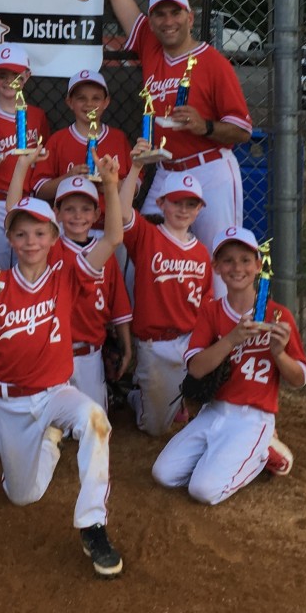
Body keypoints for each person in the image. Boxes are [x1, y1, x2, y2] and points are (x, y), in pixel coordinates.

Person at [0, 157, 126, 578]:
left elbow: (115, 238)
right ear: (9, 239)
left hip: (55, 390)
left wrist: (109, 183)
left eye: (40, 233)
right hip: (12, 403)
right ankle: (49, 442)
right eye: (22, 233)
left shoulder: (65, 272)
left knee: (95, 420)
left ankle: (92, 525)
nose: (31, 241)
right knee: (22, 496)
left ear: (54, 238)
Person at [105, 0, 252, 253]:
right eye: (159, 15)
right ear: (152, 20)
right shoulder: (149, 44)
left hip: (211, 169)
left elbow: (243, 129)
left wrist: (206, 127)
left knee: (220, 257)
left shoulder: (213, 62)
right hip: (167, 171)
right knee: (140, 250)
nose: (167, 21)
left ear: (189, 17)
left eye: (175, 13)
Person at [152, 227, 306, 505]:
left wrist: (280, 355)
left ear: (258, 266)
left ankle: (262, 451)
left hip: (253, 417)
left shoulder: (277, 314)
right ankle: (236, 452)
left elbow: (299, 379)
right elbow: (197, 369)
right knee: (163, 474)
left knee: (202, 491)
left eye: (245, 260)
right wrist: (232, 339)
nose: (237, 267)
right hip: (214, 412)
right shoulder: (211, 311)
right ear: (217, 267)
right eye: (228, 260)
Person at [7, 150, 132, 412]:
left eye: (86, 208)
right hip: (51, 351)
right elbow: (14, 214)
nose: (77, 215)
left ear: (98, 212)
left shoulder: (100, 256)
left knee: (95, 423)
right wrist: (21, 166)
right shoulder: (49, 247)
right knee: (50, 428)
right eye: (69, 208)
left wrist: (126, 345)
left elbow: (118, 302)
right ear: (57, 213)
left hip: (89, 354)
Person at [118, 159, 213, 436]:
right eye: (176, 202)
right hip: (154, 344)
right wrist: (134, 166)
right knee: (155, 428)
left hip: (188, 342)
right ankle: (138, 395)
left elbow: (206, 301)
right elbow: (123, 213)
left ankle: (178, 394)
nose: (183, 210)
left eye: (190, 204)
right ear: (161, 204)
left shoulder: (202, 253)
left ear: (199, 210)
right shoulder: (147, 236)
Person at [0, 44, 52, 270]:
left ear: (27, 76)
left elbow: (44, 160)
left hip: (28, 201)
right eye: (2, 75)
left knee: (27, 267)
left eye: (16, 75)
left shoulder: (37, 116)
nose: (9, 81)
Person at [33, 68, 132, 202]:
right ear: (70, 102)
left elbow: (135, 183)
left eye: (96, 98)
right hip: (71, 220)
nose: (89, 104)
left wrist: (111, 184)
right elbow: (39, 190)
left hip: (112, 218)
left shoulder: (118, 138)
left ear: (106, 102)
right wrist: (68, 178)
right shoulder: (58, 140)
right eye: (81, 98)